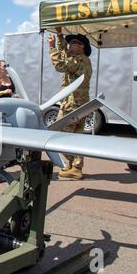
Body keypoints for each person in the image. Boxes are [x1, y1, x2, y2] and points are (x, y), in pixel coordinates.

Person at [49, 27, 92, 180]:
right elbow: (65, 54)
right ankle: (74, 167)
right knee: (76, 138)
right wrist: (60, 35)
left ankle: (73, 165)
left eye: (74, 43)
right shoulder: (81, 58)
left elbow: (61, 65)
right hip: (80, 104)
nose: (70, 45)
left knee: (60, 136)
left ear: (82, 47)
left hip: (72, 105)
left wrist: (51, 48)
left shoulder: (78, 59)